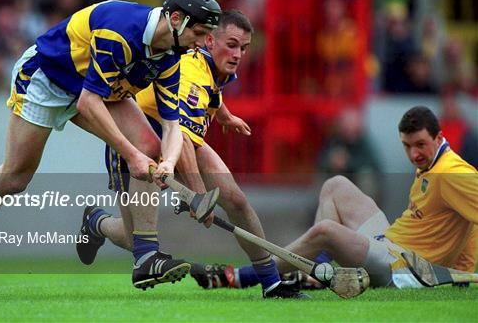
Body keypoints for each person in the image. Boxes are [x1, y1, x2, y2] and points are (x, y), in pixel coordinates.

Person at [0, 0, 222, 289]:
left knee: (150, 146)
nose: (201, 44)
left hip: (101, 90)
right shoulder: (121, 31)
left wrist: (167, 162)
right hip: (48, 79)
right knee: (15, 177)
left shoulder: (171, 55)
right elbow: (88, 102)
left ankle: (146, 258)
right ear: (177, 18)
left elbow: (172, 125)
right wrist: (131, 156)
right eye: (198, 33)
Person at [76, 10, 308, 299]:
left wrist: (224, 116)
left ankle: (271, 282)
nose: (238, 54)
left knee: (235, 198)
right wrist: (198, 196)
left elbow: (211, 95)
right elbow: (182, 137)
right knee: (133, 237)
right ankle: (96, 222)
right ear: (209, 41)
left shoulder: (211, 68)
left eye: (244, 48)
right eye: (232, 44)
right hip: (140, 142)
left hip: (175, 140)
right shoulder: (191, 75)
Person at [191, 106, 477, 289]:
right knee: (335, 185)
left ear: (439, 138)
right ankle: (319, 274)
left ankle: (240, 277)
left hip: (403, 270)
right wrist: (462, 270)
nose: (414, 154)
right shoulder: (432, 163)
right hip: (390, 245)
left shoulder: (451, 173)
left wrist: (460, 271)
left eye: (421, 145)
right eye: (408, 146)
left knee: (326, 231)